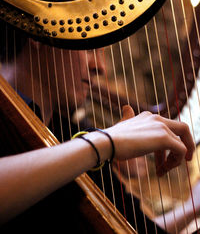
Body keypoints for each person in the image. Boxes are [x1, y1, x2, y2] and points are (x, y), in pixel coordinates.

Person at [0, 22, 197, 233]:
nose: (100, 67)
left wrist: (191, 209)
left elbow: (136, 228)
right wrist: (105, 141)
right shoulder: (92, 144)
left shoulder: (71, 135)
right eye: (91, 46)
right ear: (40, 33)